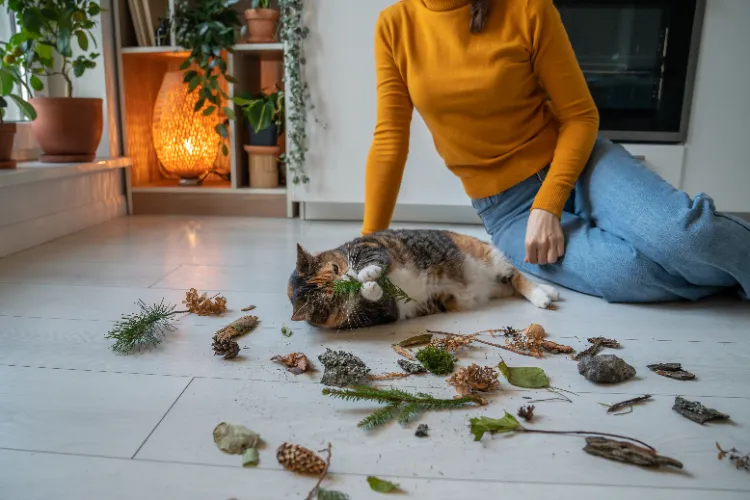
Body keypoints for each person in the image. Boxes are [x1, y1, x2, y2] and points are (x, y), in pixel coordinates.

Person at [361, 0, 750, 303]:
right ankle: (726, 275)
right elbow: (389, 139)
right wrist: (366, 245)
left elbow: (580, 116)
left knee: (686, 239)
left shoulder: (527, 8)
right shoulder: (395, 26)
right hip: (507, 209)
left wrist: (548, 204)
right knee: (626, 274)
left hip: (580, 165)